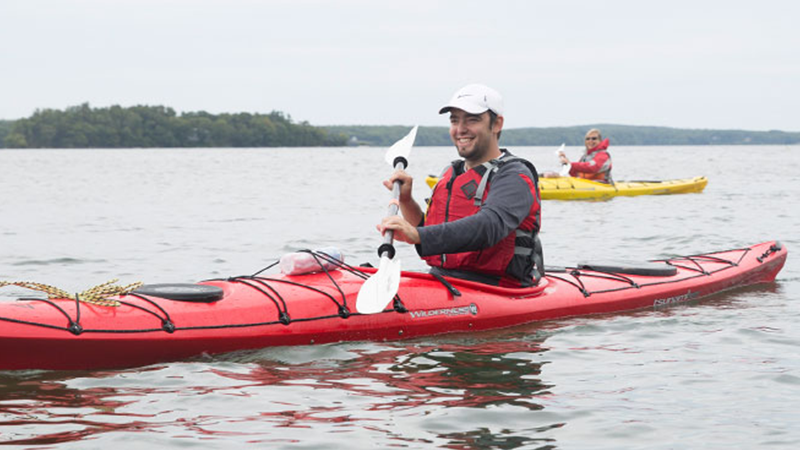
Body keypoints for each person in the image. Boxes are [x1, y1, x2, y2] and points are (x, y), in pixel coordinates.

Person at [377, 84, 544, 287]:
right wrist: (406, 200)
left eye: (472, 119)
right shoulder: (451, 172)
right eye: (454, 120)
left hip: (496, 287)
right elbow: (431, 231)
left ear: (496, 124)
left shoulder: (515, 175)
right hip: (442, 278)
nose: (460, 129)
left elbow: (489, 226)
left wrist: (418, 235)